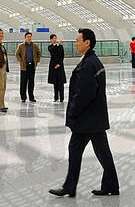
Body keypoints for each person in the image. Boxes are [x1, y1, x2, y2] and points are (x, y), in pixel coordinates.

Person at [50, 28, 119, 197]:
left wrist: (73, 112)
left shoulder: (89, 64)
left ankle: (69, 187)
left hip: (87, 119)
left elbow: (84, 94)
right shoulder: (92, 61)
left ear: (87, 42)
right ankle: (111, 185)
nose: (76, 43)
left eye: (78, 40)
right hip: (95, 118)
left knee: (75, 149)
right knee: (103, 152)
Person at [16, 32, 39, 103]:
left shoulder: (34, 45)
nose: (29, 38)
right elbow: (17, 54)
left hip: (32, 66)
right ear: (25, 38)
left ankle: (31, 97)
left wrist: (37, 61)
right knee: (23, 82)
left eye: (30, 37)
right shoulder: (21, 46)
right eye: (28, 37)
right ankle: (23, 97)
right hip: (24, 67)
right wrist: (21, 61)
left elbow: (38, 53)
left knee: (31, 82)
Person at [47, 33, 66, 103]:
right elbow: (52, 51)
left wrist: (59, 64)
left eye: (55, 38)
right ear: (51, 40)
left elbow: (62, 56)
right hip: (53, 66)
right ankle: (56, 97)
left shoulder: (60, 46)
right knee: (55, 82)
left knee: (61, 82)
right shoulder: (50, 47)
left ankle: (61, 98)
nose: (55, 39)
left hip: (60, 66)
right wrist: (56, 45)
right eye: (53, 38)